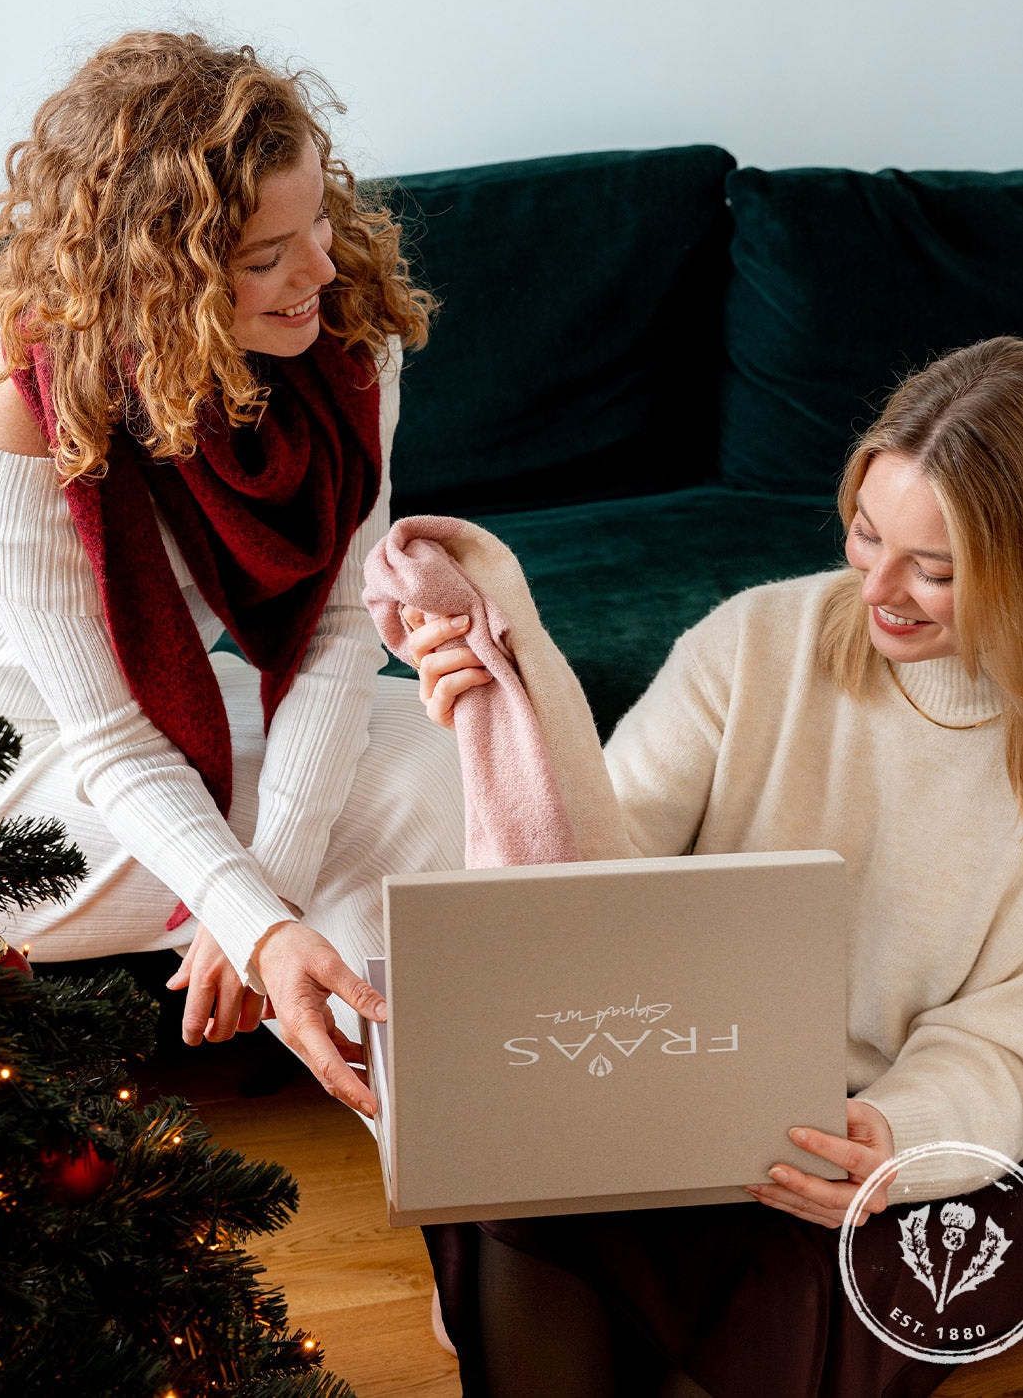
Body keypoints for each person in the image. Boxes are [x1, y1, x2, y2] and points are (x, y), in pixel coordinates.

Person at [404, 336, 1023, 1396]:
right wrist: (512, 730)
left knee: (776, 1300)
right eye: (866, 533)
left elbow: (1007, 1029)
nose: (879, 587)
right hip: (691, 1084)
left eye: (937, 566)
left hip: (924, 1144)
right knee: (523, 1201)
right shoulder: (758, 640)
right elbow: (599, 874)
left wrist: (897, 1139)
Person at [0, 29, 465, 1115]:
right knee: (367, 820)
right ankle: (424, 1133)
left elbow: (340, 626)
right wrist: (254, 918)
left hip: (159, 701)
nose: (320, 269)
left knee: (438, 766)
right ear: (158, 273)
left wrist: (266, 897)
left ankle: (458, 1188)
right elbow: (101, 730)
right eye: (264, 254)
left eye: (319, 219)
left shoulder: (350, 337)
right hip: (1, 754)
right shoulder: (19, 392)